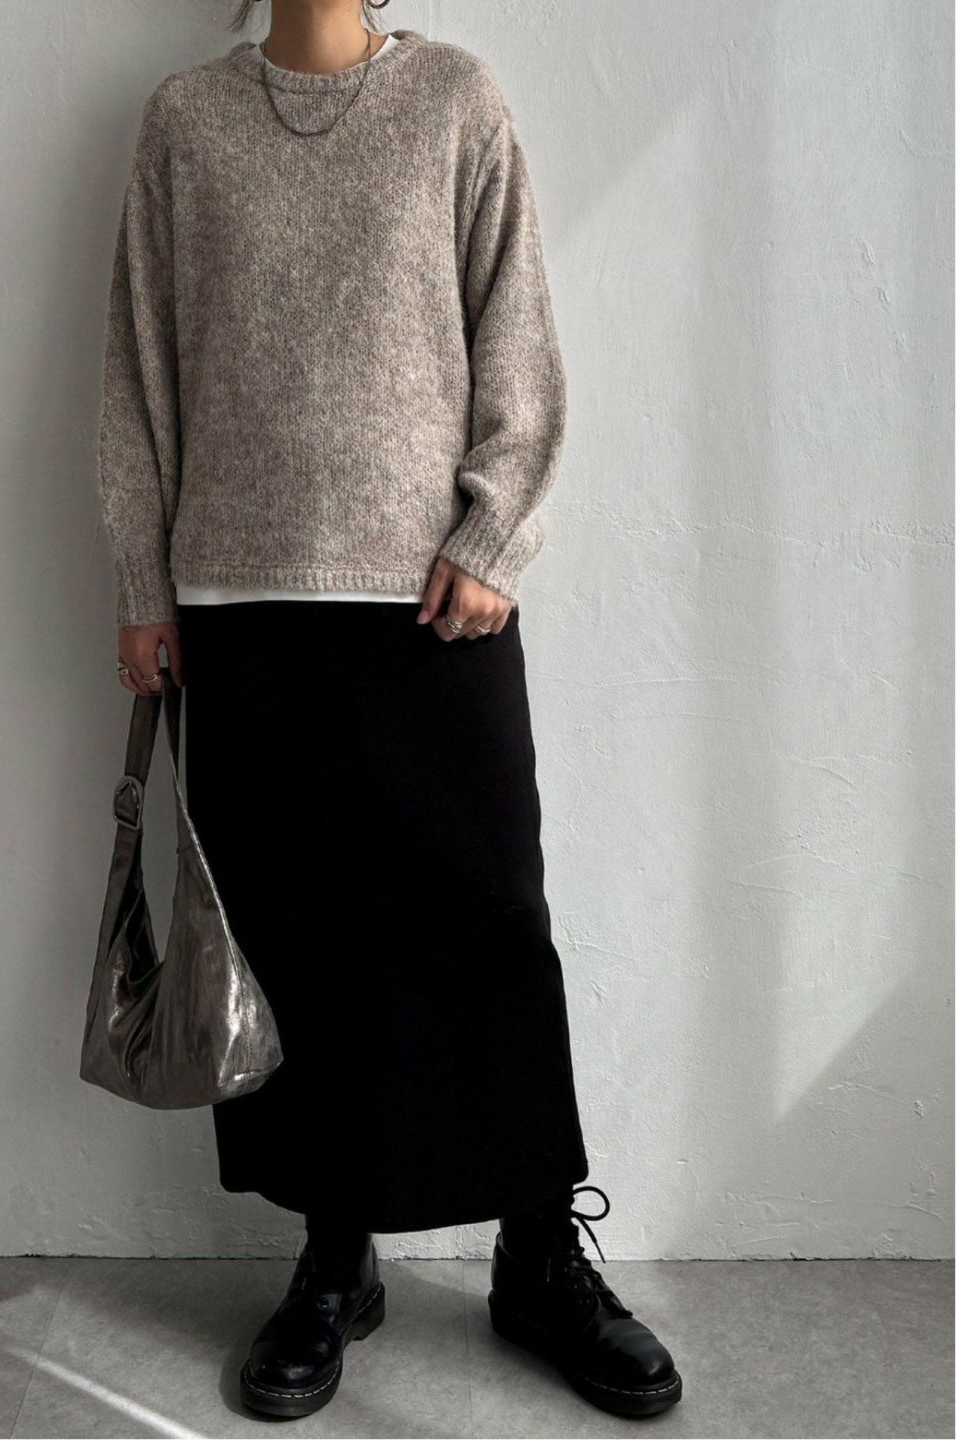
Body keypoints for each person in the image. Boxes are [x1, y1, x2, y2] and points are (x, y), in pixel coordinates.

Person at [96, 0, 681, 1421]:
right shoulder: (185, 122)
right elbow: (138, 367)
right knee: (296, 943)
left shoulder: (457, 101)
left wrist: (494, 535)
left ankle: (537, 1256)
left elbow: (517, 336)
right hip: (240, 606)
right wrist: (143, 581)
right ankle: (334, 1257)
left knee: (489, 918)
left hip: (433, 606)